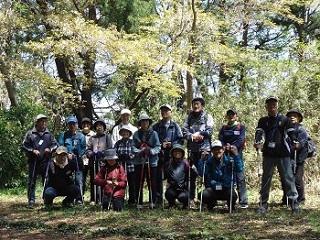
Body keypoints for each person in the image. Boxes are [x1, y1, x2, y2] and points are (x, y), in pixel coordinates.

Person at [254, 96, 299, 213]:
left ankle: (294, 203)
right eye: (269, 105)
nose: (272, 107)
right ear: (266, 107)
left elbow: (291, 133)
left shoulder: (284, 120)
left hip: (282, 153)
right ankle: (263, 204)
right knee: (266, 179)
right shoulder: (263, 121)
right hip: (268, 154)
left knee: (288, 178)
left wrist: (295, 141)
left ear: (277, 106)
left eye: (274, 105)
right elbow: (259, 133)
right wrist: (258, 142)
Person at [182, 97, 214, 208]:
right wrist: (192, 136)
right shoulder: (188, 117)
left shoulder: (207, 117)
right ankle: (191, 199)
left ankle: (207, 200)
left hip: (205, 150)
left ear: (202, 105)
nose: (195, 106)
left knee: (206, 174)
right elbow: (184, 132)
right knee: (191, 175)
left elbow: (210, 131)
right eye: (194, 104)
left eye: (198, 104)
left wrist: (200, 134)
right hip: (192, 151)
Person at [22, 114, 58, 209]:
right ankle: (31, 200)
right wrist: (32, 150)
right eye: (41, 121)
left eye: (45, 121)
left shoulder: (49, 134)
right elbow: (24, 145)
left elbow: (55, 145)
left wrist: (49, 149)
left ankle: (47, 200)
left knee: (46, 181)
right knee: (32, 181)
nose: (43, 123)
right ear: (37, 122)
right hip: (33, 161)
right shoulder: (30, 133)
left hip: (45, 162)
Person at [198, 140, 242, 212]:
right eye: (214, 149)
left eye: (219, 149)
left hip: (226, 188)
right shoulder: (209, 162)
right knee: (203, 195)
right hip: (213, 189)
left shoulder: (230, 161)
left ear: (223, 149)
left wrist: (236, 155)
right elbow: (201, 173)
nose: (217, 151)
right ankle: (211, 204)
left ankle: (231, 206)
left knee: (233, 195)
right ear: (212, 151)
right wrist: (202, 160)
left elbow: (239, 169)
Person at [152, 104, 184, 205]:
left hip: (172, 157)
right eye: (163, 110)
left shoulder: (175, 126)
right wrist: (161, 145)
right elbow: (152, 140)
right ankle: (158, 199)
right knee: (158, 178)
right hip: (159, 156)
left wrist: (172, 144)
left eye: (167, 110)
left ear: (171, 112)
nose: (164, 112)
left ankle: (171, 199)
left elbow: (181, 140)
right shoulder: (156, 126)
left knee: (172, 177)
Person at [218, 109, 248, 209]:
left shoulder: (241, 127)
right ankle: (225, 198)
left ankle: (243, 201)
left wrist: (232, 146)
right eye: (229, 115)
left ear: (236, 116)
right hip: (225, 154)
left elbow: (241, 139)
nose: (231, 116)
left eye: (233, 115)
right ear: (227, 116)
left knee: (240, 176)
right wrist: (224, 146)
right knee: (224, 176)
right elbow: (220, 139)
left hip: (237, 154)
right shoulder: (223, 128)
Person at [132, 114, 161, 209]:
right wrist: (140, 152)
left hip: (152, 162)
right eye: (143, 121)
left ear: (149, 122)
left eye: (146, 121)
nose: (145, 123)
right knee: (138, 181)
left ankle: (152, 201)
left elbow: (158, 146)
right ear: (140, 123)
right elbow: (133, 147)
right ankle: (139, 202)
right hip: (139, 162)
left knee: (152, 182)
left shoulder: (154, 133)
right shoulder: (136, 134)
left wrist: (151, 151)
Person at [58, 116, 86, 204]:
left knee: (79, 179)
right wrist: (67, 154)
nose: (72, 126)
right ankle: (69, 198)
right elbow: (60, 146)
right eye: (70, 124)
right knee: (68, 179)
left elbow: (83, 148)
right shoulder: (64, 135)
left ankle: (79, 198)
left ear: (76, 125)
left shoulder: (81, 136)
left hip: (78, 160)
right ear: (67, 125)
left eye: (73, 124)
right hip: (66, 161)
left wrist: (77, 154)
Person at [283, 109, 308, 205]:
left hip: (299, 158)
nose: (292, 117)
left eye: (294, 116)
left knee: (297, 179)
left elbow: (303, 141)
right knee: (286, 178)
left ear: (299, 118)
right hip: (287, 158)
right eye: (290, 116)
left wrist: (298, 145)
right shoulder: (285, 130)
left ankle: (301, 199)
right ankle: (287, 199)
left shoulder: (301, 129)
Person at [85, 118, 112, 204]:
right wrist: (91, 154)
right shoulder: (92, 138)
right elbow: (87, 150)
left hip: (104, 163)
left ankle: (104, 198)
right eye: (97, 126)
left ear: (104, 127)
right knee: (94, 180)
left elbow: (110, 149)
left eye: (100, 126)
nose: (99, 127)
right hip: (93, 162)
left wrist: (103, 153)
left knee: (104, 180)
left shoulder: (107, 137)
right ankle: (93, 199)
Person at [114, 125, 136, 205]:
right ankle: (120, 199)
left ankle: (132, 200)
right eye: (123, 132)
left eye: (127, 132)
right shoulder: (118, 143)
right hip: (121, 167)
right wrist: (119, 157)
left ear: (129, 133)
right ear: (121, 133)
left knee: (132, 184)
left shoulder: (133, 142)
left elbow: (136, 153)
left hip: (131, 166)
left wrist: (129, 156)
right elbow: (114, 153)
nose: (125, 133)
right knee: (121, 183)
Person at [164, 144, 189, 209]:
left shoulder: (186, 163)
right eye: (175, 151)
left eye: (179, 151)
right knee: (168, 194)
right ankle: (171, 204)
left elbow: (194, 174)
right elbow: (164, 176)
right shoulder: (169, 163)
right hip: (172, 188)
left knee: (182, 197)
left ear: (182, 153)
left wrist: (192, 167)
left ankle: (186, 205)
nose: (177, 152)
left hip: (183, 189)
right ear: (172, 153)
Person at [80, 117, 95, 196]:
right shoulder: (78, 134)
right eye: (84, 124)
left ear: (90, 125)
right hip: (82, 159)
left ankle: (93, 197)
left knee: (93, 178)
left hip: (92, 159)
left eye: (87, 124)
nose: (86, 125)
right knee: (81, 178)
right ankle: (80, 197)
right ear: (81, 125)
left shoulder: (94, 135)